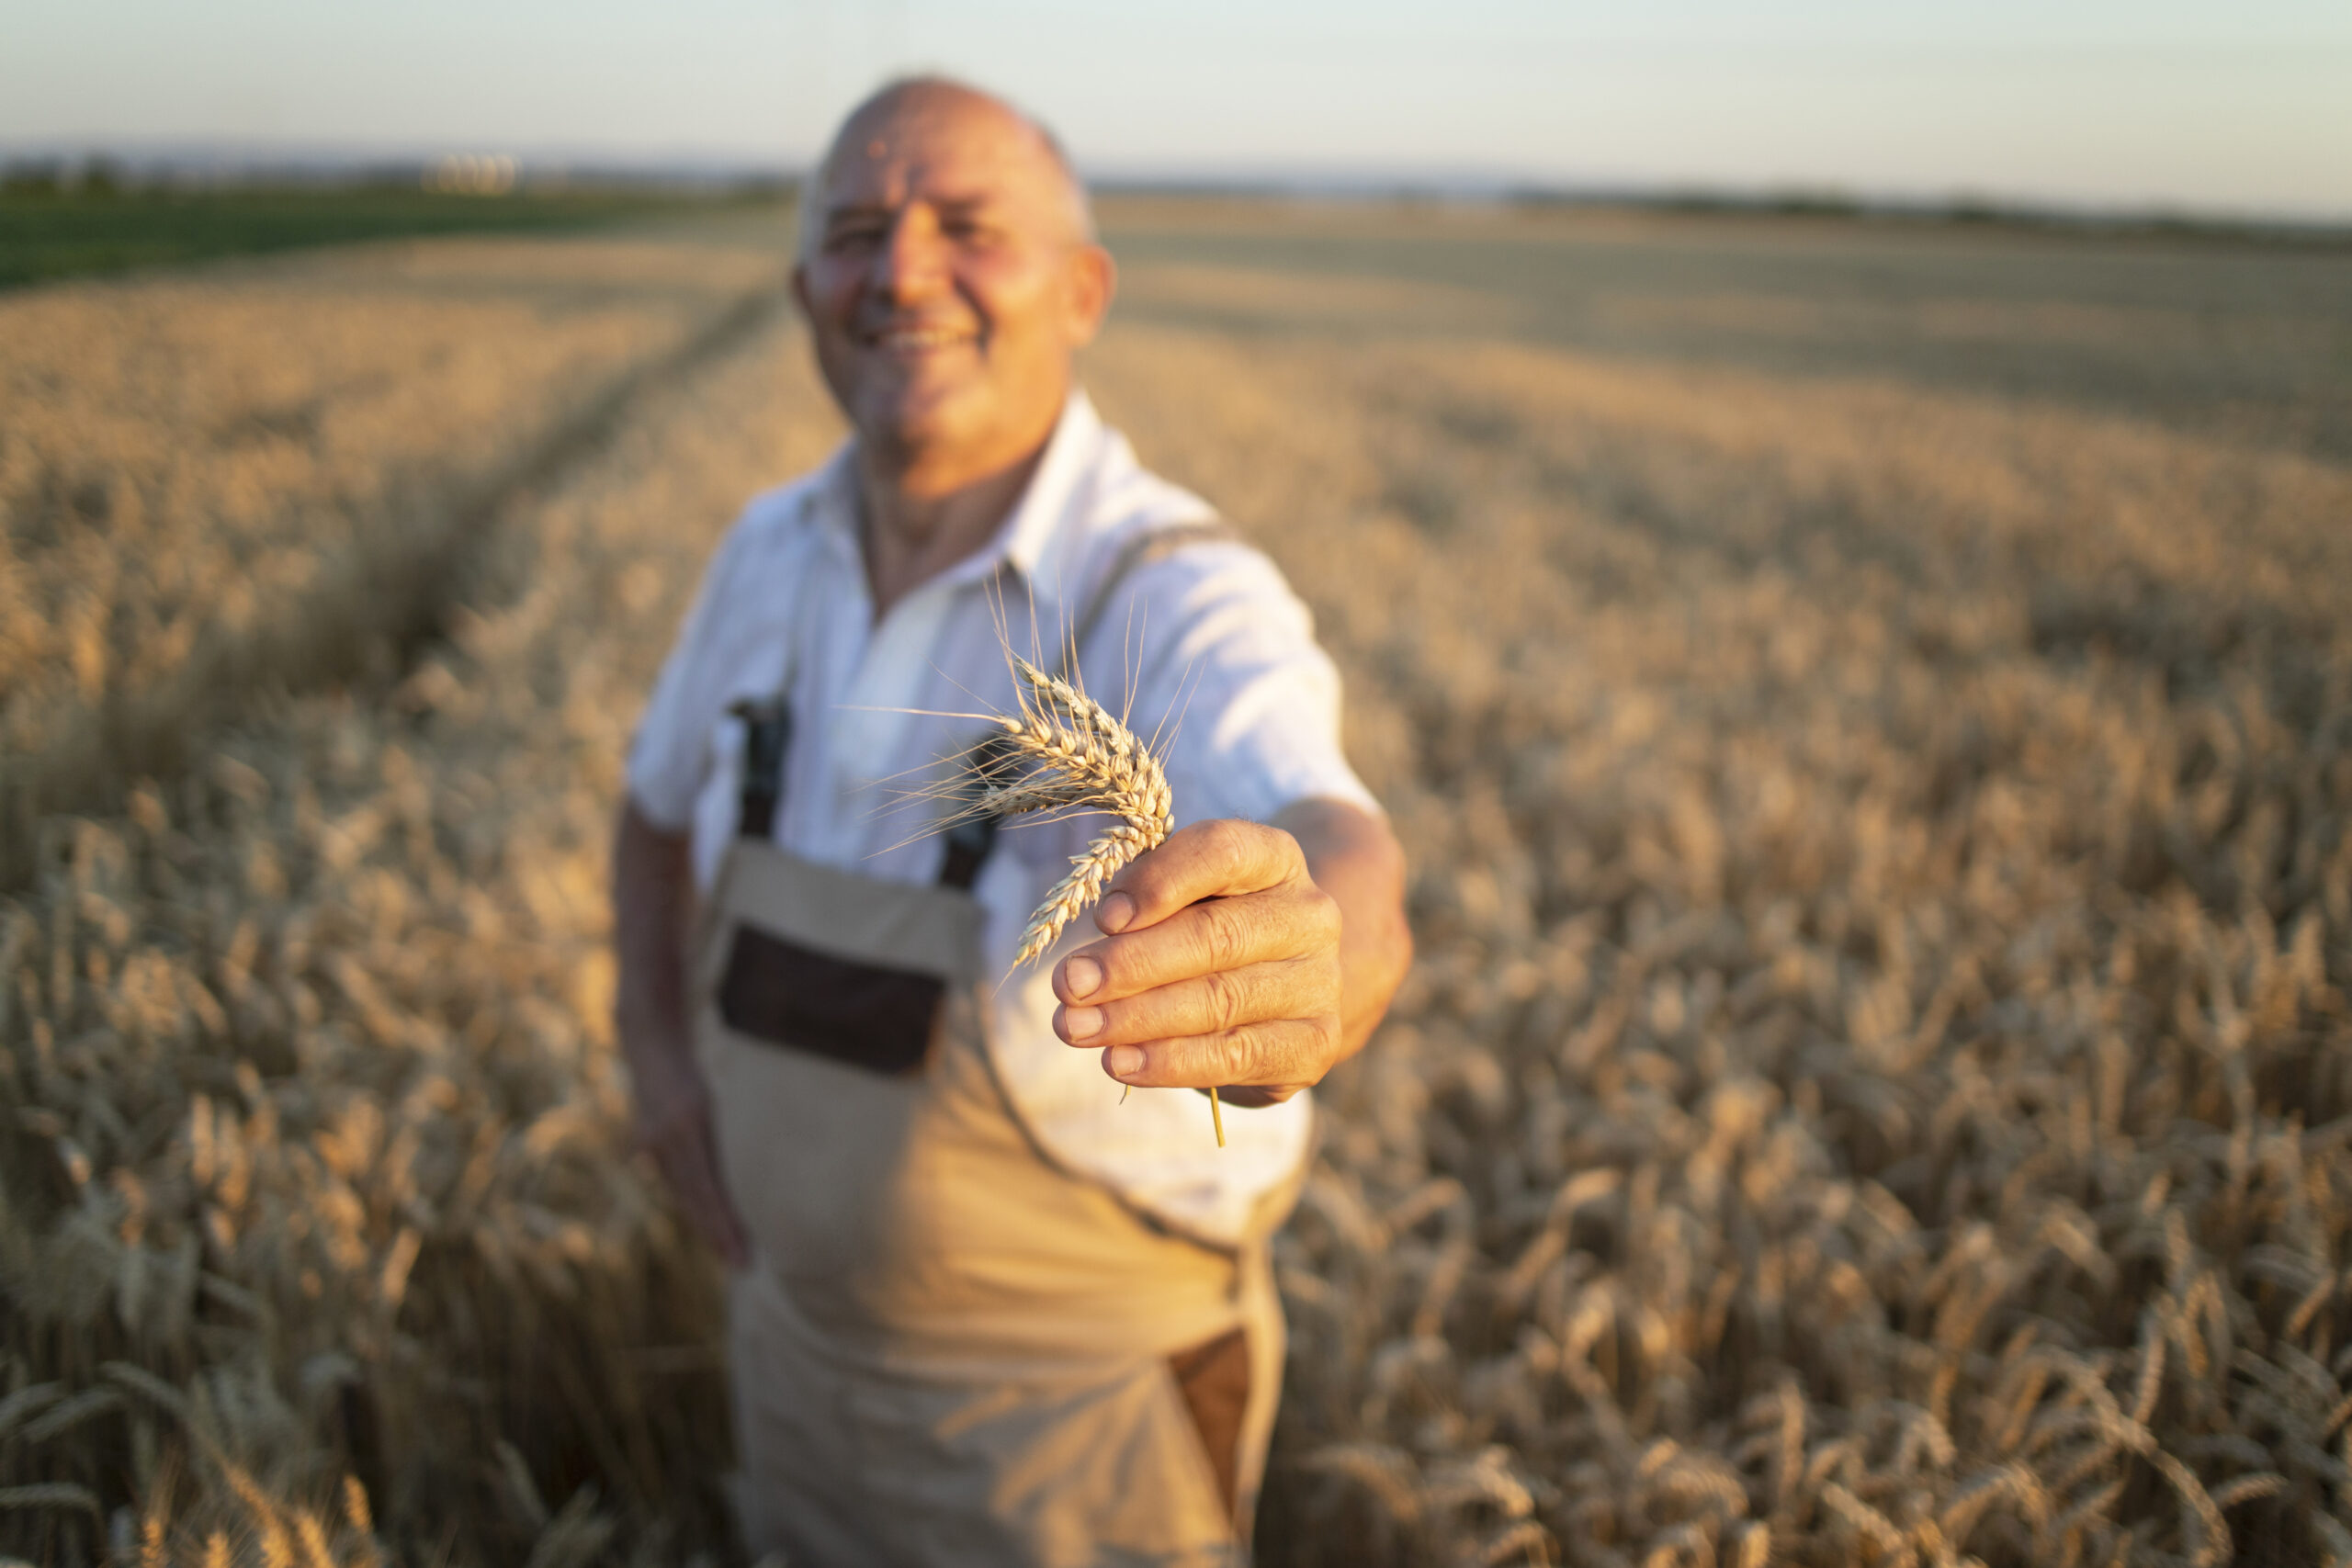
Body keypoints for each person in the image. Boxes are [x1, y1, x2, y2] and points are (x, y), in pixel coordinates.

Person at [612, 75, 1411, 1567]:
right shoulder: (764, 553)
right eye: (857, 233)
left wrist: (1315, 959)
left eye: (967, 228)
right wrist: (652, 1040)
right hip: (781, 1363)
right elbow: (654, 812)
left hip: (1076, 1427)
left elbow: (1338, 848)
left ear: (1083, 290)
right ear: (804, 291)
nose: (903, 272)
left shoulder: (1167, 593)